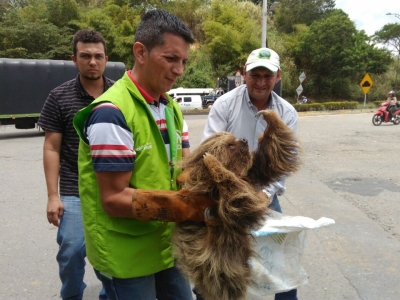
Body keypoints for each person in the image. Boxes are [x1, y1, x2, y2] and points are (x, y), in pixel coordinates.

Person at [73, 10, 212, 300]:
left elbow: (184, 170)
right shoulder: (111, 112)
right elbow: (113, 199)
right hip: (127, 255)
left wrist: (219, 193)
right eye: (171, 59)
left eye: (184, 61)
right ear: (141, 52)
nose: (179, 70)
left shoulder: (170, 107)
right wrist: (189, 208)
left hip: (166, 243)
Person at [200, 47, 299, 300]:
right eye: (255, 75)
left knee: (279, 269)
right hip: (225, 194)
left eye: (268, 76)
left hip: (265, 193)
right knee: (213, 264)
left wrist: (265, 193)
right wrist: (232, 188)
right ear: (244, 74)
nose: (261, 82)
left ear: (278, 77)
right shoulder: (225, 105)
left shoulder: (286, 112)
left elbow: (283, 162)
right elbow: (209, 154)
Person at [38, 29, 112, 300]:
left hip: (114, 188)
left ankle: (109, 295)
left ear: (106, 58)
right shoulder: (59, 97)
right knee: (70, 250)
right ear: (74, 59)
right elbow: (51, 147)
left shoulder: (120, 95)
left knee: (111, 253)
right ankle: (71, 296)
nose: (92, 62)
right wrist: (52, 195)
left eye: (97, 56)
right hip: (74, 189)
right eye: (85, 56)